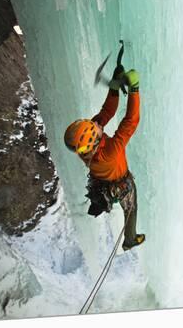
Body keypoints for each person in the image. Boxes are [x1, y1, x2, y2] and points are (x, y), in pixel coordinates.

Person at [64, 68, 145, 251]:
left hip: (102, 181)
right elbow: (130, 121)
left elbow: (107, 111)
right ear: (94, 138)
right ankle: (129, 239)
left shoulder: (86, 147)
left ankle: (101, 204)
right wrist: (134, 89)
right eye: (94, 125)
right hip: (120, 183)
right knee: (131, 208)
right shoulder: (109, 152)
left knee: (127, 206)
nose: (95, 123)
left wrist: (114, 88)